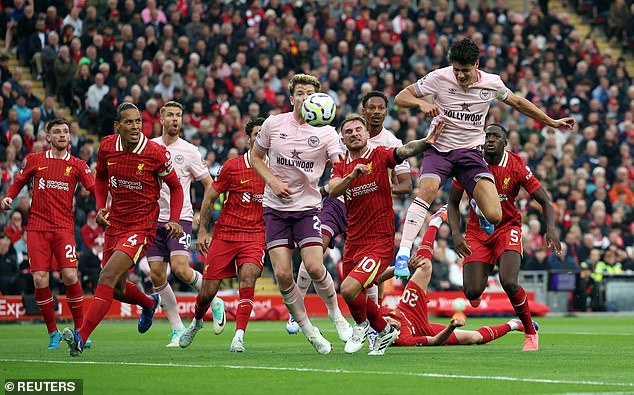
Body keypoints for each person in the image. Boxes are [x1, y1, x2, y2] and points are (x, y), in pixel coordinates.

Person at [393, 38, 575, 278]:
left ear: (476, 65)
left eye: (465, 71)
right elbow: (400, 98)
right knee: (426, 190)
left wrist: (551, 121)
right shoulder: (438, 77)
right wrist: (419, 103)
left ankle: (477, 206)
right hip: (439, 148)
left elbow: (519, 103)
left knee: (494, 215)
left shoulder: (492, 83)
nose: (460, 76)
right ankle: (403, 254)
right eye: (456, 70)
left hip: (470, 153)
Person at [61, 102, 185, 357]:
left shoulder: (155, 152)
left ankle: (80, 337)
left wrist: (173, 218)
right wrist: (100, 207)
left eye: (138, 121)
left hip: (141, 226)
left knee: (105, 277)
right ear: (117, 126)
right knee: (116, 288)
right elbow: (101, 176)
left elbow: (176, 187)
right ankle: (150, 303)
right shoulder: (107, 146)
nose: (135, 126)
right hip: (116, 223)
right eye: (129, 122)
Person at [290, 91, 412, 340]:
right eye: (372, 108)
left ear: (385, 113)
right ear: (364, 112)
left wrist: (378, 185)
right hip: (338, 202)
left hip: (370, 207)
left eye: (381, 108)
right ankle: (298, 307)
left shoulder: (391, 141)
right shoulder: (340, 136)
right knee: (316, 247)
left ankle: (372, 329)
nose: (376, 111)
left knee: (364, 279)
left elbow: (406, 185)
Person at [327, 113, 443, 355]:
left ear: (367, 133)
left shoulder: (379, 155)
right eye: (348, 132)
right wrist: (352, 176)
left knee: (349, 289)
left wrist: (427, 141)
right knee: (352, 293)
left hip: (379, 240)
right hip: (353, 241)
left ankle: (361, 326)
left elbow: (403, 151)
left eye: (358, 129)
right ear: (343, 139)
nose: (354, 134)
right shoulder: (341, 166)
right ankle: (384, 330)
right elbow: (333, 191)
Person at [250, 74, 349, 354]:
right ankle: (309, 329)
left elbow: (337, 165)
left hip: (307, 209)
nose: (305, 97)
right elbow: (255, 157)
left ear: (318, 99)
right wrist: (272, 181)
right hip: (275, 209)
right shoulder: (273, 124)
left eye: (310, 93)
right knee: (283, 274)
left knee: (316, 267)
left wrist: (340, 175)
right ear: (292, 98)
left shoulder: (328, 132)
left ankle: (336, 315)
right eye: (300, 93)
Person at [447, 124, 560, 351]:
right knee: (471, 291)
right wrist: (456, 233)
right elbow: (452, 202)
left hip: (507, 228)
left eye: (496, 136)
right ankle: (479, 279)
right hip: (477, 233)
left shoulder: (516, 165)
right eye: (487, 135)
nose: (490, 139)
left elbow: (545, 201)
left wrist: (552, 228)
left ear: (504, 142)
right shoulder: (469, 162)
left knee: (509, 281)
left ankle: (529, 332)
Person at [1, 119, 95, 350]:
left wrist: (105, 206)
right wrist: (9, 197)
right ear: (48, 136)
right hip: (37, 228)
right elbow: (19, 182)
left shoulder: (78, 165)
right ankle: (53, 332)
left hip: (63, 228)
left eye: (65, 131)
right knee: (39, 279)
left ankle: (80, 331)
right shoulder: (35, 160)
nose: (62, 135)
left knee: (71, 276)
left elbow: (94, 188)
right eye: (57, 132)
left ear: (69, 137)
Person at [179, 118, 266, 353]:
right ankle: (197, 321)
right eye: (256, 134)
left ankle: (238, 336)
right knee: (207, 291)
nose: (260, 137)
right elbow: (209, 198)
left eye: (264, 133)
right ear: (248, 139)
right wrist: (204, 231)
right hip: (225, 235)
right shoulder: (232, 166)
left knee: (248, 279)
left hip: (255, 236)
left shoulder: (276, 169)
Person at [146, 101, 225, 347]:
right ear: (161, 119)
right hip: (152, 219)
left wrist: (204, 215)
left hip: (180, 217)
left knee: (180, 268)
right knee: (157, 275)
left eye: (178, 115)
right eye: (170, 115)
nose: (174, 120)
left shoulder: (189, 151)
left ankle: (215, 300)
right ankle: (177, 328)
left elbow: (210, 186)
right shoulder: (149, 148)